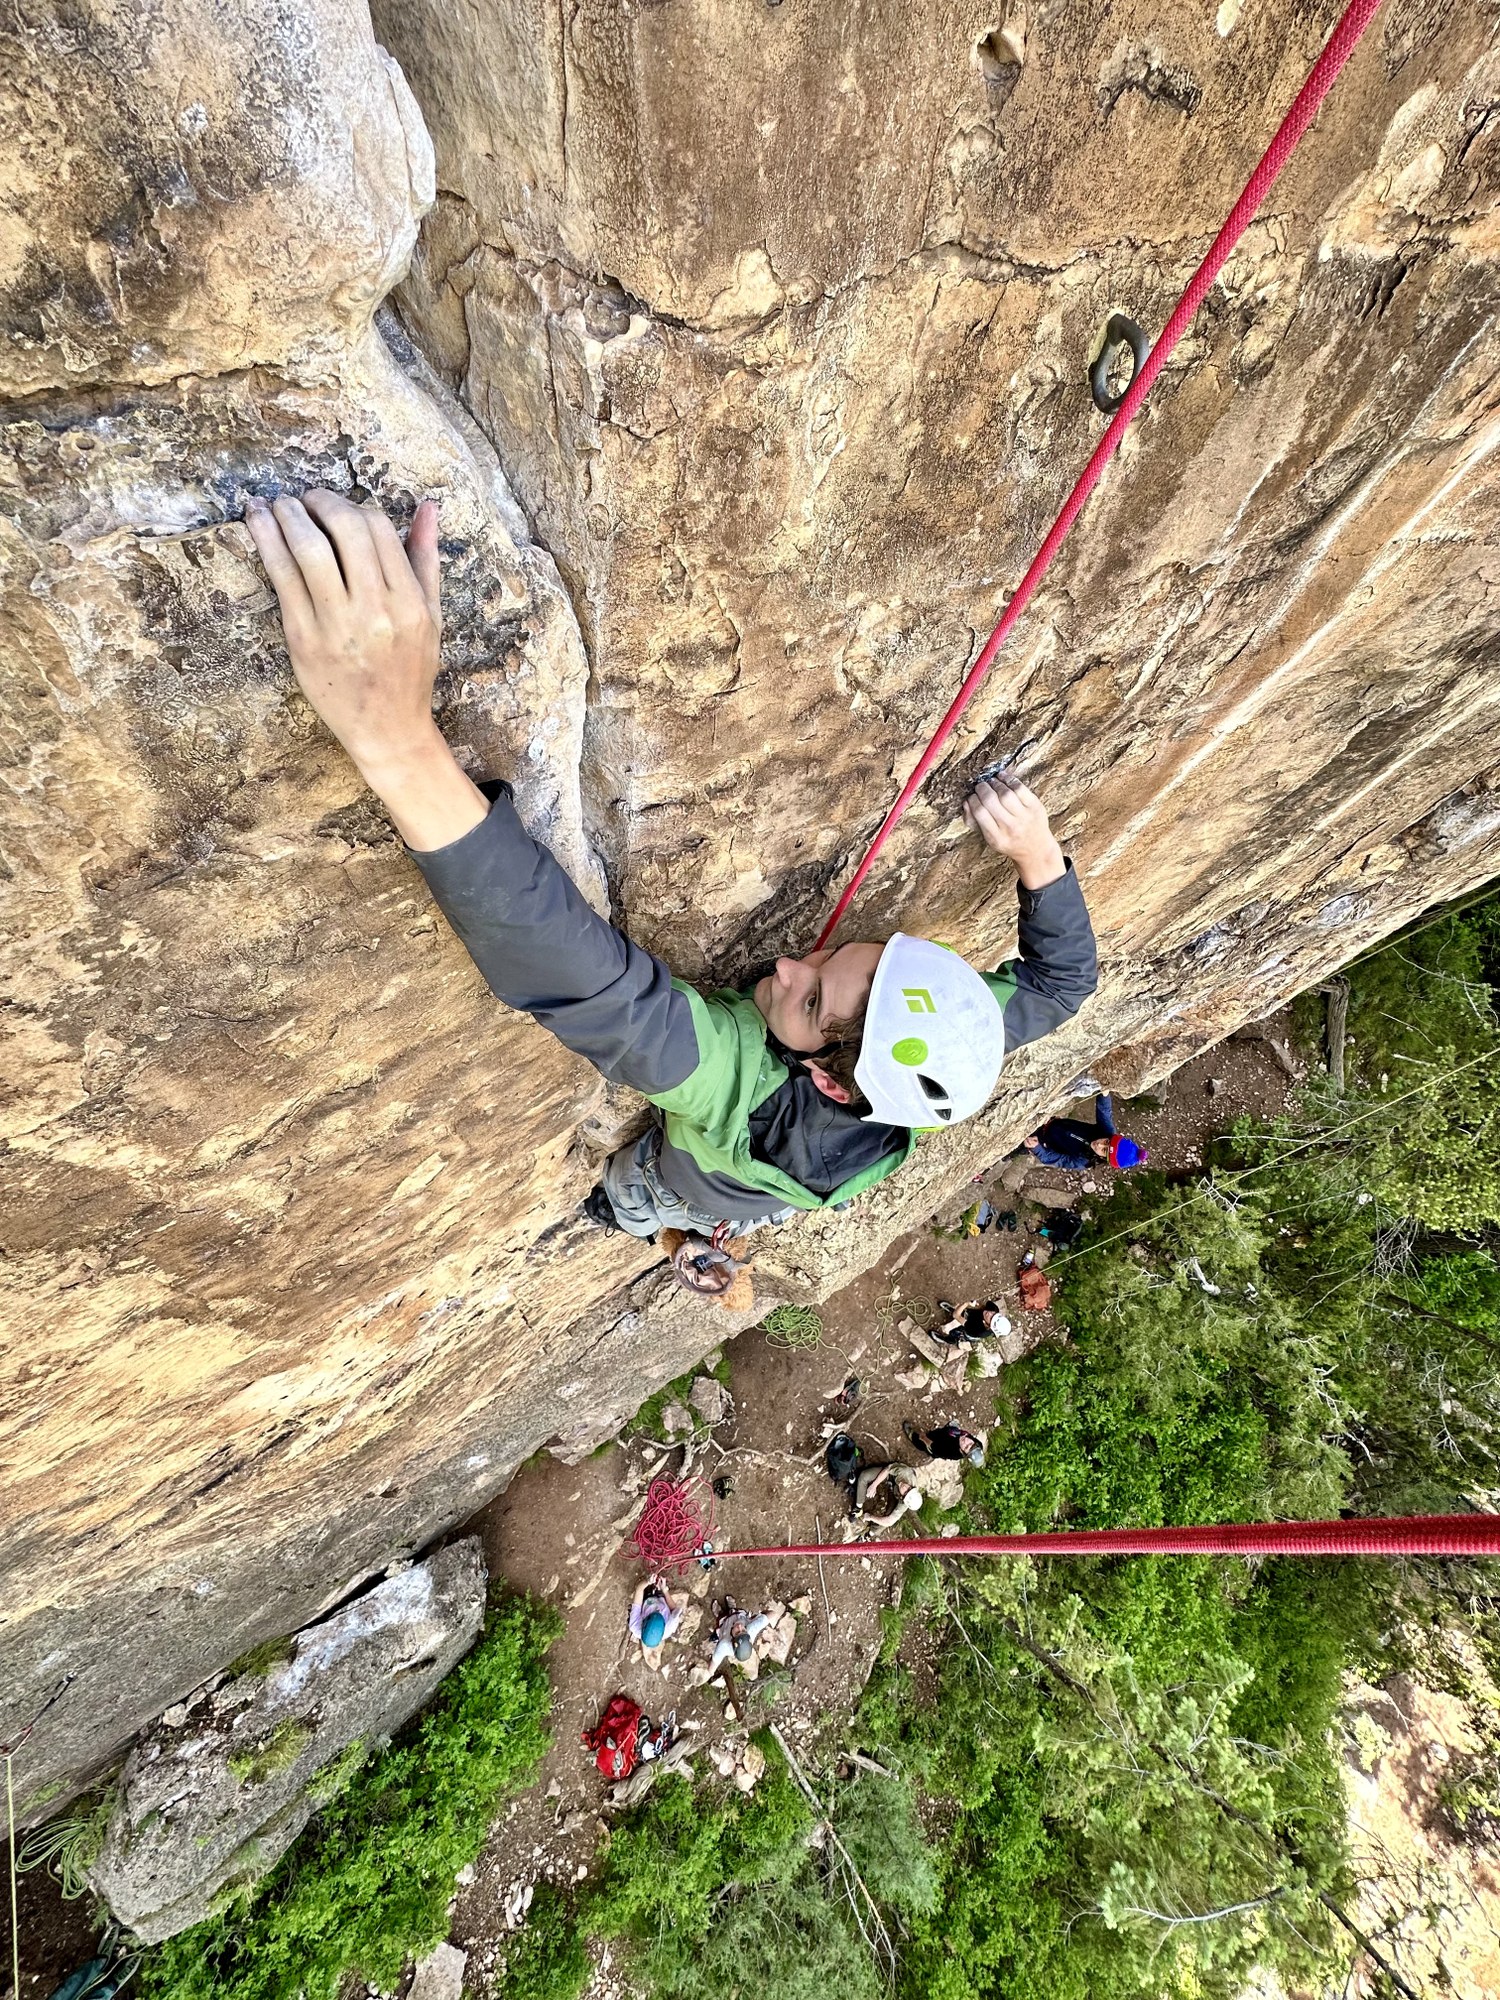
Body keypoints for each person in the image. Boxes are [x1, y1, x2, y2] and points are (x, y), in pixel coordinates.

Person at [242, 491, 1099, 1245]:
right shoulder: (943, 1040)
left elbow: (585, 983)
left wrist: (395, 738)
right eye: (843, 958)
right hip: (792, 1182)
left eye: (808, 1001)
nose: (790, 963)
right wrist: (1037, 855)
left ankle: (628, 1208)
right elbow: (1060, 990)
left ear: (828, 1086)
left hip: (705, 1175)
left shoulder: (727, 1079)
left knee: (649, 1189)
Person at [1023, 1093, 1145, 1172]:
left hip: (1041, 1139)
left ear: (1105, 1158)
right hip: (1052, 1122)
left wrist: (1037, 1148)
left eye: (1104, 1150)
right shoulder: (1107, 1132)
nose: (1099, 1144)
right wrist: (1105, 1094)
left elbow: (1057, 1159)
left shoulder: (1083, 1162)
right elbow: (1104, 1112)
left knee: (1017, 1145)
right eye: (1106, 1142)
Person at [703, 1598, 770, 1678]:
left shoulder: (724, 1645)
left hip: (725, 1626)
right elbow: (772, 1615)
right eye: (744, 1630)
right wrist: (763, 1614)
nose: (740, 1626)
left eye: (737, 1632)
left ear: (732, 1640)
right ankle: (732, 1608)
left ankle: (720, 1613)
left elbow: (712, 1668)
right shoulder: (752, 1629)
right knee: (736, 1612)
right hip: (739, 1615)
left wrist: (705, 1675)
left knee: (721, 1619)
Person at [628, 1577, 687, 1667]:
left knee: (641, 1589)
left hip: (646, 1599)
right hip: (660, 1598)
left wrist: (647, 1581)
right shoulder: (670, 1626)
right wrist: (665, 1590)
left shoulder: (635, 1625)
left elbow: (639, 1590)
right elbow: (674, 1609)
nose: (657, 1610)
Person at [903, 1420, 986, 1467]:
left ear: (962, 1451)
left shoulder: (951, 1452)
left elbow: (934, 1447)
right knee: (937, 1433)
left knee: (922, 1444)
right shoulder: (977, 1444)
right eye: (970, 1443)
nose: (966, 1441)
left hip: (937, 1445)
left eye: (966, 1447)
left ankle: (912, 1435)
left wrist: (924, 1438)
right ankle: (950, 1428)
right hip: (948, 1435)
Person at [931, 1299, 1011, 1346]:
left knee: (956, 1334)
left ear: (989, 1326)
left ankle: (946, 1339)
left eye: (991, 1318)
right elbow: (981, 1306)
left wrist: (966, 1303)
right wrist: (974, 1304)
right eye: (994, 1314)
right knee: (964, 1312)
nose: (989, 1313)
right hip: (975, 1316)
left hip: (971, 1330)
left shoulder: (979, 1331)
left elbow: (956, 1315)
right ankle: (951, 1309)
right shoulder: (993, 1308)